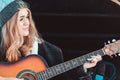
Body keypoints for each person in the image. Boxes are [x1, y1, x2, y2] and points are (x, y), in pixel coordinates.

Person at [0, 0, 116, 80]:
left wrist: (82, 67)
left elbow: (61, 77)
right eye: (21, 19)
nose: (27, 23)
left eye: (27, 17)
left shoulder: (50, 51)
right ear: (8, 25)